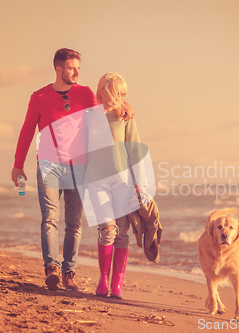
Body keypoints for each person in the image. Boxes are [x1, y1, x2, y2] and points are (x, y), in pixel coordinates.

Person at [11, 48, 97, 291]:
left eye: (78, 67)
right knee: (49, 219)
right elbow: (27, 131)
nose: (77, 72)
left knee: (74, 223)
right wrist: (18, 165)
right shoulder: (39, 97)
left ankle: (70, 272)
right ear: (59, 70)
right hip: (49, 164)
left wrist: (125, 108)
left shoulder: (86, 94)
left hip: (79, 166)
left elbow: (103, 118)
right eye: (71, 68)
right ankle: (52, 268)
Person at [84, 72, 147, 299]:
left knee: (122, 235)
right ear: (105, 92)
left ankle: (116, 285)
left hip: (123, 183)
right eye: (118, 93)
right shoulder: (89, 116)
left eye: (124, 93)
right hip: (96, 181)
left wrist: (140, 184)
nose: (122, 97)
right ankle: (103, 280)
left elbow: (135, 148)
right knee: (107, 230)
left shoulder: (126, 117)